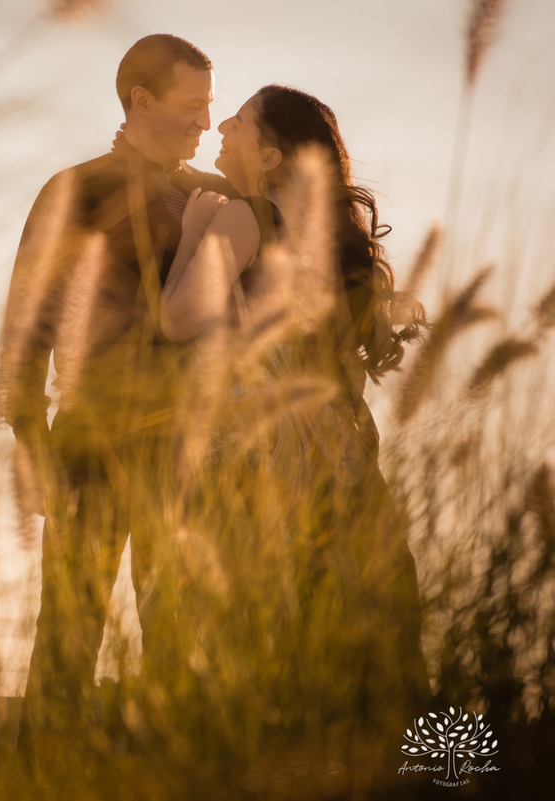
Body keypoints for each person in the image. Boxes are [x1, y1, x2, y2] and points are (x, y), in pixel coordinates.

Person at [152, 85, 430, 747]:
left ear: (272, 155)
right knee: (347, 626)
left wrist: (192, 232)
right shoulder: (340, 247)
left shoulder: (248, 218)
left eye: (239, 120)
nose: (221, 123)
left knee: (254, 631)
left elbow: (181, 317)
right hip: (345, 464)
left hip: (258, 461)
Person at [0, 34, 233, 768]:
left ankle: (168, 774)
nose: (203, 124)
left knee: (176, 628)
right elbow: (24, 322)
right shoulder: (73, 189)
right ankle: (43, 776)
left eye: (210, 109)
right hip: (89, 441)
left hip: (189, 445)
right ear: (141, 100)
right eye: (193, 107)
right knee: (68, 630)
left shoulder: (217, 199)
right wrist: (32, 439)